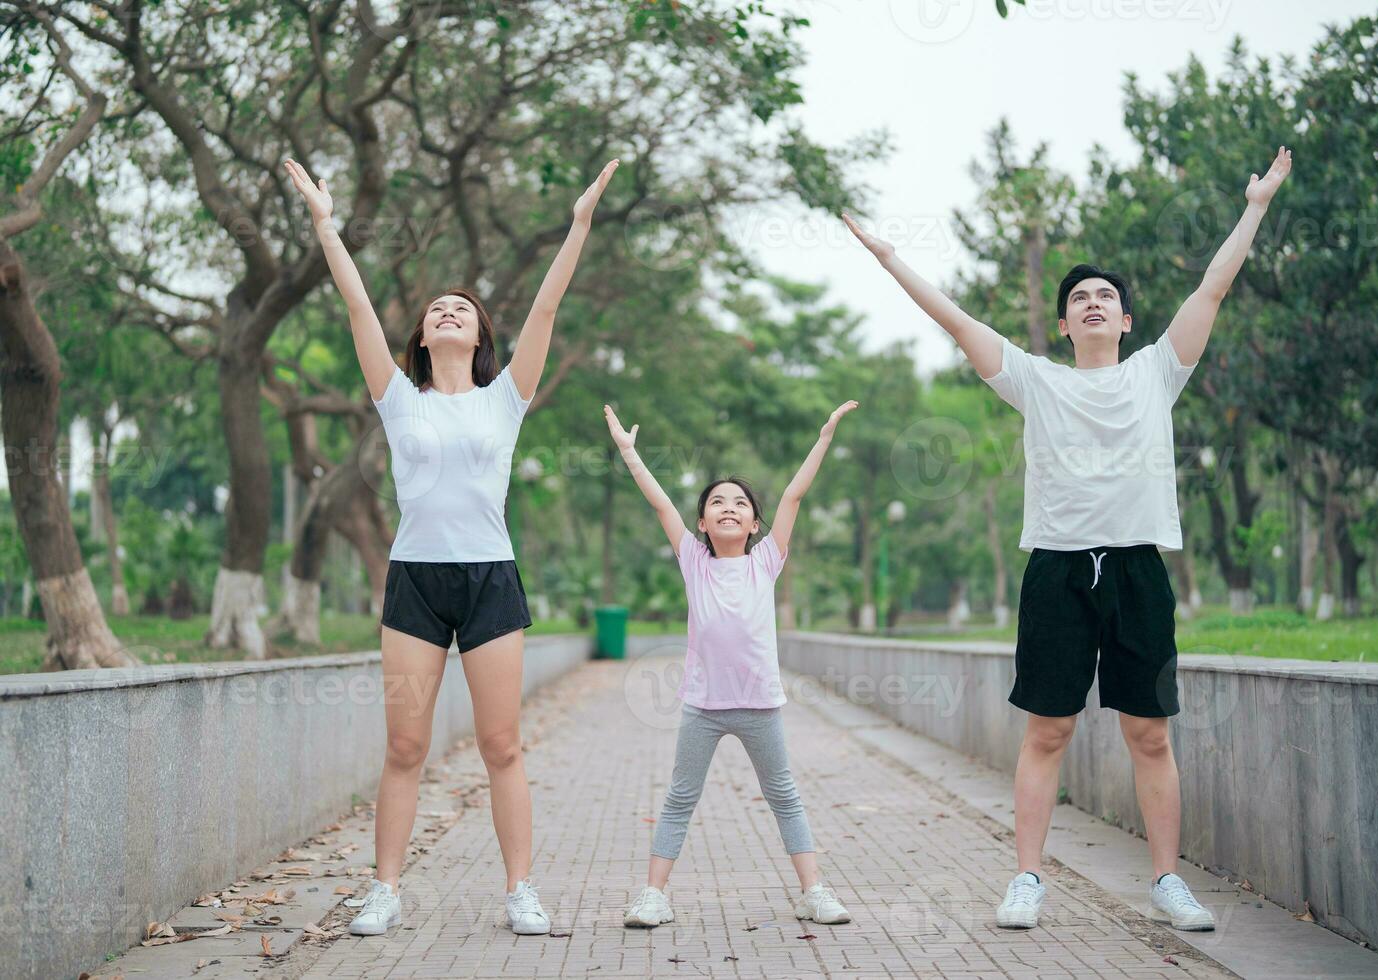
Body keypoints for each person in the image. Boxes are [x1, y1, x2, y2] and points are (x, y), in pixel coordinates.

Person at [843, 147, 1293, 931]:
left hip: (1135, 571)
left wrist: (1254, 207)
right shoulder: (1034, 380)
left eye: (1105, 297)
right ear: (1063, 321)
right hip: (1055, 573)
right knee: (1047, 728)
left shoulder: (1158, 371)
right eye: (1078, 296)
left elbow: (1213, 286)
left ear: (1124, 320)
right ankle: (1027, 879)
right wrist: (888, 259)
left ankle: (1166, 882)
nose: (1092, 302)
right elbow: (951, 318)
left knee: (1148, 734)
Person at [284, 156, 620, 936]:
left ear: (478, 335)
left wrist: (578, 225)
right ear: (423, 335)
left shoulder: (508, 400)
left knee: (502, 744)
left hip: (490, 580)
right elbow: (358, 307)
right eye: (436, 308)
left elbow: (545, 310)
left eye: (460, 309)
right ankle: (385, 890)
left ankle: (519, 890)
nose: (447, 312)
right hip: (415, 585)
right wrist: (326, 225)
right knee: (406, 745)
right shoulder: (398, 399)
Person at [604, 400, 860, 929]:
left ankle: (813, 891)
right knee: (679, 797)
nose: (728, 508)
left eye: (739, 503)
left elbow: (794, 493)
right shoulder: (693, 561)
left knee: (784, 796)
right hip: (703, 706)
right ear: (702, 522)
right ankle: (653, 895)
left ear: (753, 523)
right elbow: (659, 507)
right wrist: (631, 455)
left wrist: (825, 437)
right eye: (716, 502)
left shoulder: (767, 560)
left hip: (760, 705)